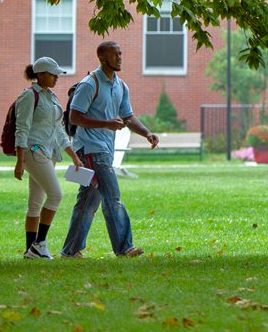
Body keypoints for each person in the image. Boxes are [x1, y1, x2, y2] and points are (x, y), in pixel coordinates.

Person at [60, 41, 159, 259]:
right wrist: (105, 123)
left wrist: (146, 133)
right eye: (115, 54)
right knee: (112, 197)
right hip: (90, 149)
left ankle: (70, 250)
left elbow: (128, 117)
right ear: (103, 58)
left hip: (105, 148)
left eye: (120, 54)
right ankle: (124, 248)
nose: (120, 57)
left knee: (87, 202)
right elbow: (74, 117)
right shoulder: (89, 84)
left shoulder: (121, 87)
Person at [13, 56, 83, 259]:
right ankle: (39, 244)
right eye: (53, 74)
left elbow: (60, 132)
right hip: (33, 151)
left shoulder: (51, 97)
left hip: (49, 152)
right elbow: (22, 129)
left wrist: (73, 156)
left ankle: (30, 251)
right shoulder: (28, 96)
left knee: (35, 202)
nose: (56, 78)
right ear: (41, 74)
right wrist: (19, 161)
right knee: (56, 195)